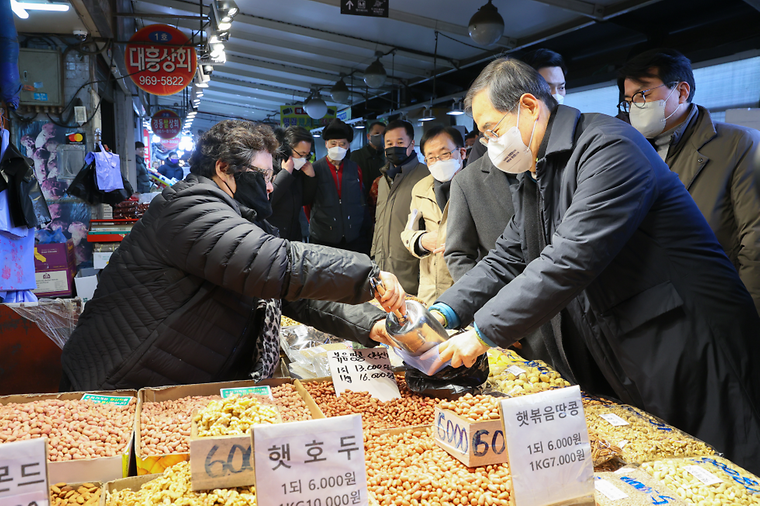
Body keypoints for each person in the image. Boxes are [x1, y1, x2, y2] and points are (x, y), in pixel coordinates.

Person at [429, 57, 760, 474]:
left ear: (530, 107)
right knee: (664, 464)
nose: (491, 144)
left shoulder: (608, 147)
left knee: (718, 466)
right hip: (639, 337)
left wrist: (482, 333)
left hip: (690, 336)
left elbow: (569, 258)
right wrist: (442, 312)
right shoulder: (539, 172)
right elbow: (508, 256)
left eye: (493, 130)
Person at [60, 119, 406, 391]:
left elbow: (288, 293)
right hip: (119, 381)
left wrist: (370, 323)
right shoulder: (190, 208)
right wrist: (369, 275)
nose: (270, 187)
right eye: (264, 176)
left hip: (164, 376)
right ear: (225, 167)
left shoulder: (238, 214)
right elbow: (273, 264)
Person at [618, 48, 760, 312]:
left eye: (643, 95)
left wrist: (751, 319)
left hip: (715, 304)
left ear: (681, 92)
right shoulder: (631, 150)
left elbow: (755, 241)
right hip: (653, 308)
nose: (635, 107)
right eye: (629, 100)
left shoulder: (741, 144)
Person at [400, 126, 464, 306]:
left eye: (445, 154)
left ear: (462, 152)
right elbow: (408, 232)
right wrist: (421, 241)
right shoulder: (421, 189)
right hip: (431, 288)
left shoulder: (477, 185)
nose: (438, 162)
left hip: (466, 284)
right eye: (431, 158)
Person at [372, 119, 429, 295]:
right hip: (382, 268)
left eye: (400, 142)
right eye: (389, 143)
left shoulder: (426, 177)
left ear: (412, 144)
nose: (393, 147)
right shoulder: (382, 181)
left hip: (411, 271)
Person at [303, 119, 367, 253]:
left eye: (342, 144)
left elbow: (360, 200)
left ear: (348, 145)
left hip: (352, 237)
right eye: (333, 143)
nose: (337, 147)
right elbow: (307, 205)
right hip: (323, 238)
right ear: (326, 144)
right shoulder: (315, 169)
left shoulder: (356, 169)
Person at [270, 126, 316, 241]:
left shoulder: (298, 171)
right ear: (286, 149)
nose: (304, 159)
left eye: (307, 155)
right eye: (301, 154)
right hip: (273, 237)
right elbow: (268, 202)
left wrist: (310, 178)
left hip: (294, 236)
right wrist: (285, 174)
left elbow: (304, 200)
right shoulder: (269, 168)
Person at [351, 121, 386, 201]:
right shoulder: (357, 156)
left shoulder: (387, 157)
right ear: (368, 136)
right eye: (377, 133)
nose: (380, 136)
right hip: (362, 201)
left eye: (383, 134)